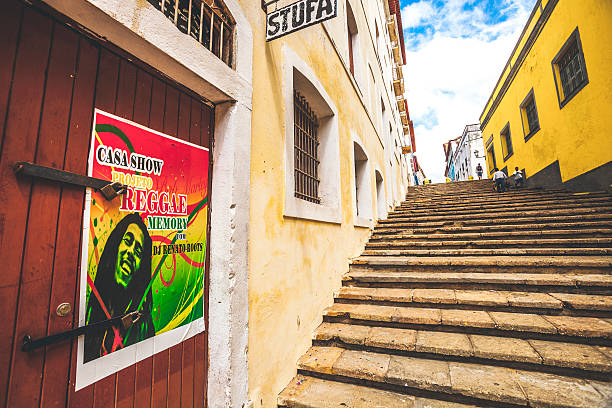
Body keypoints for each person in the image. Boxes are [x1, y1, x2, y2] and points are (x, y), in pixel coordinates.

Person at [84, 213, 155, 362]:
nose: (130, 253)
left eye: (137, 252)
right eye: (127, 241)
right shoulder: (91, 310)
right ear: (115, 246)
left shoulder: (143, 325)